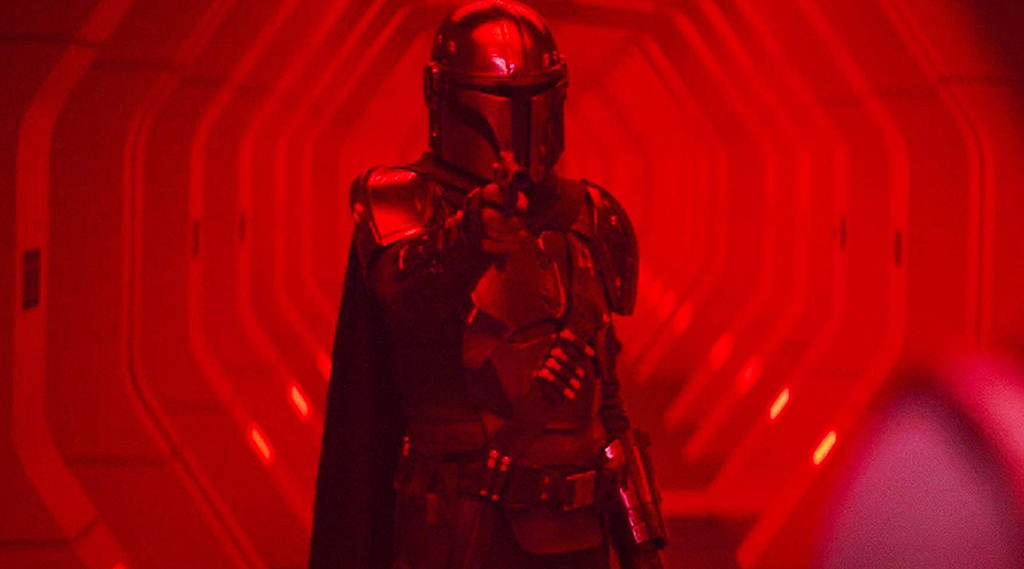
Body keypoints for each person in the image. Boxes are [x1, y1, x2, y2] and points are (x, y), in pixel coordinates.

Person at [309, 2, 667, 568]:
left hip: (576, 539)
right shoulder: (402, 204)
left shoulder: (590, 217)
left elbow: (607, 413)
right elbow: (404, 302)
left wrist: (642, 547)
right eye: (501, 98)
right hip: (455, 538)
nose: (518, 119)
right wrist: (466, 240)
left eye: (536, 94)